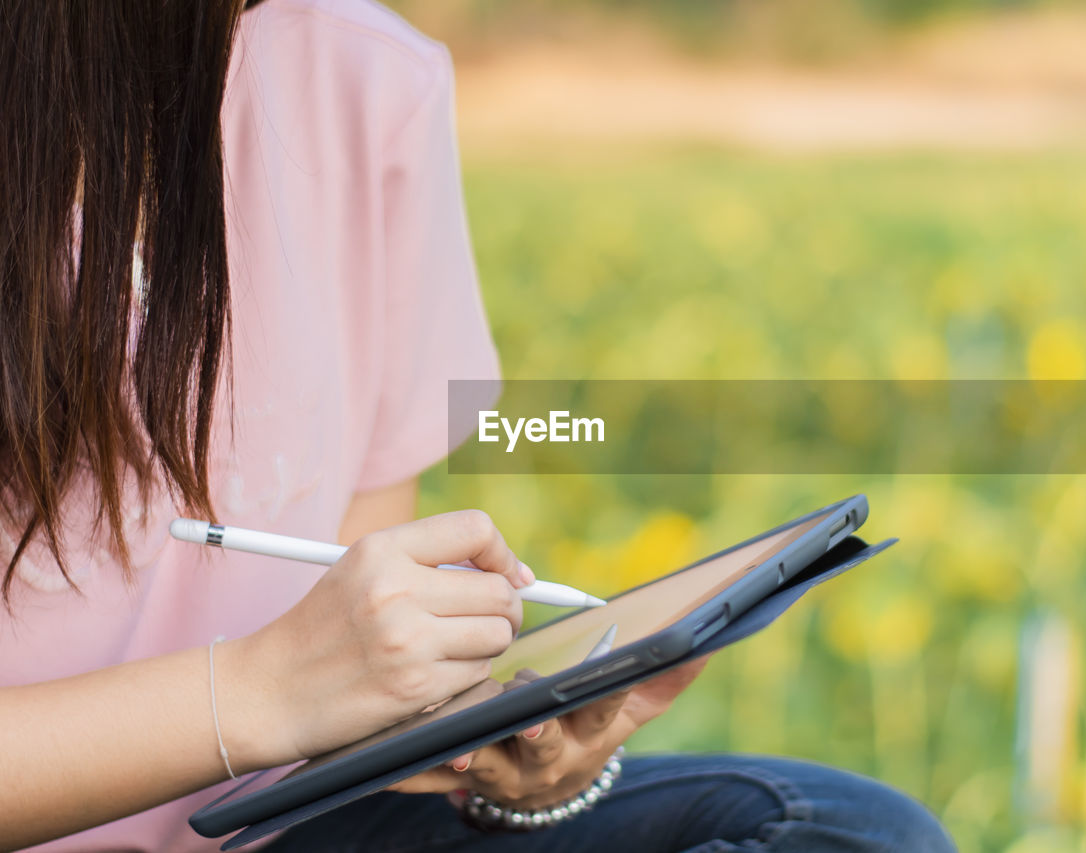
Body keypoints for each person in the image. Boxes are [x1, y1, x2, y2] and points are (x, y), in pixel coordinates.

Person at [0, 1, 956, 851]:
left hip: (269, 827)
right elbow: (288, 685)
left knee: (852, 832)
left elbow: (345, 613)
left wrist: (485, 750)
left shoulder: (365, 72)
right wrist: (252, 692)